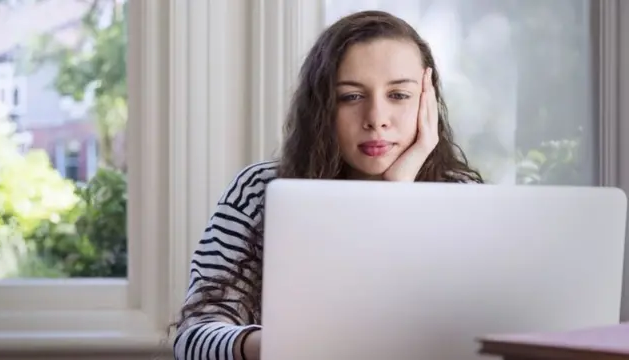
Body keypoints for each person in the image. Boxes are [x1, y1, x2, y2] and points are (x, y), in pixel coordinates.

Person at [172, 10, 483, 360]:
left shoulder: (463, 200)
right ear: (321, 107)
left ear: (426, 102)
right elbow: (193, 339)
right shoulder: (259, 190)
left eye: (398, 95)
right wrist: (282, 344)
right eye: (351, 96)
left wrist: (396, 196)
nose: (376, 119)